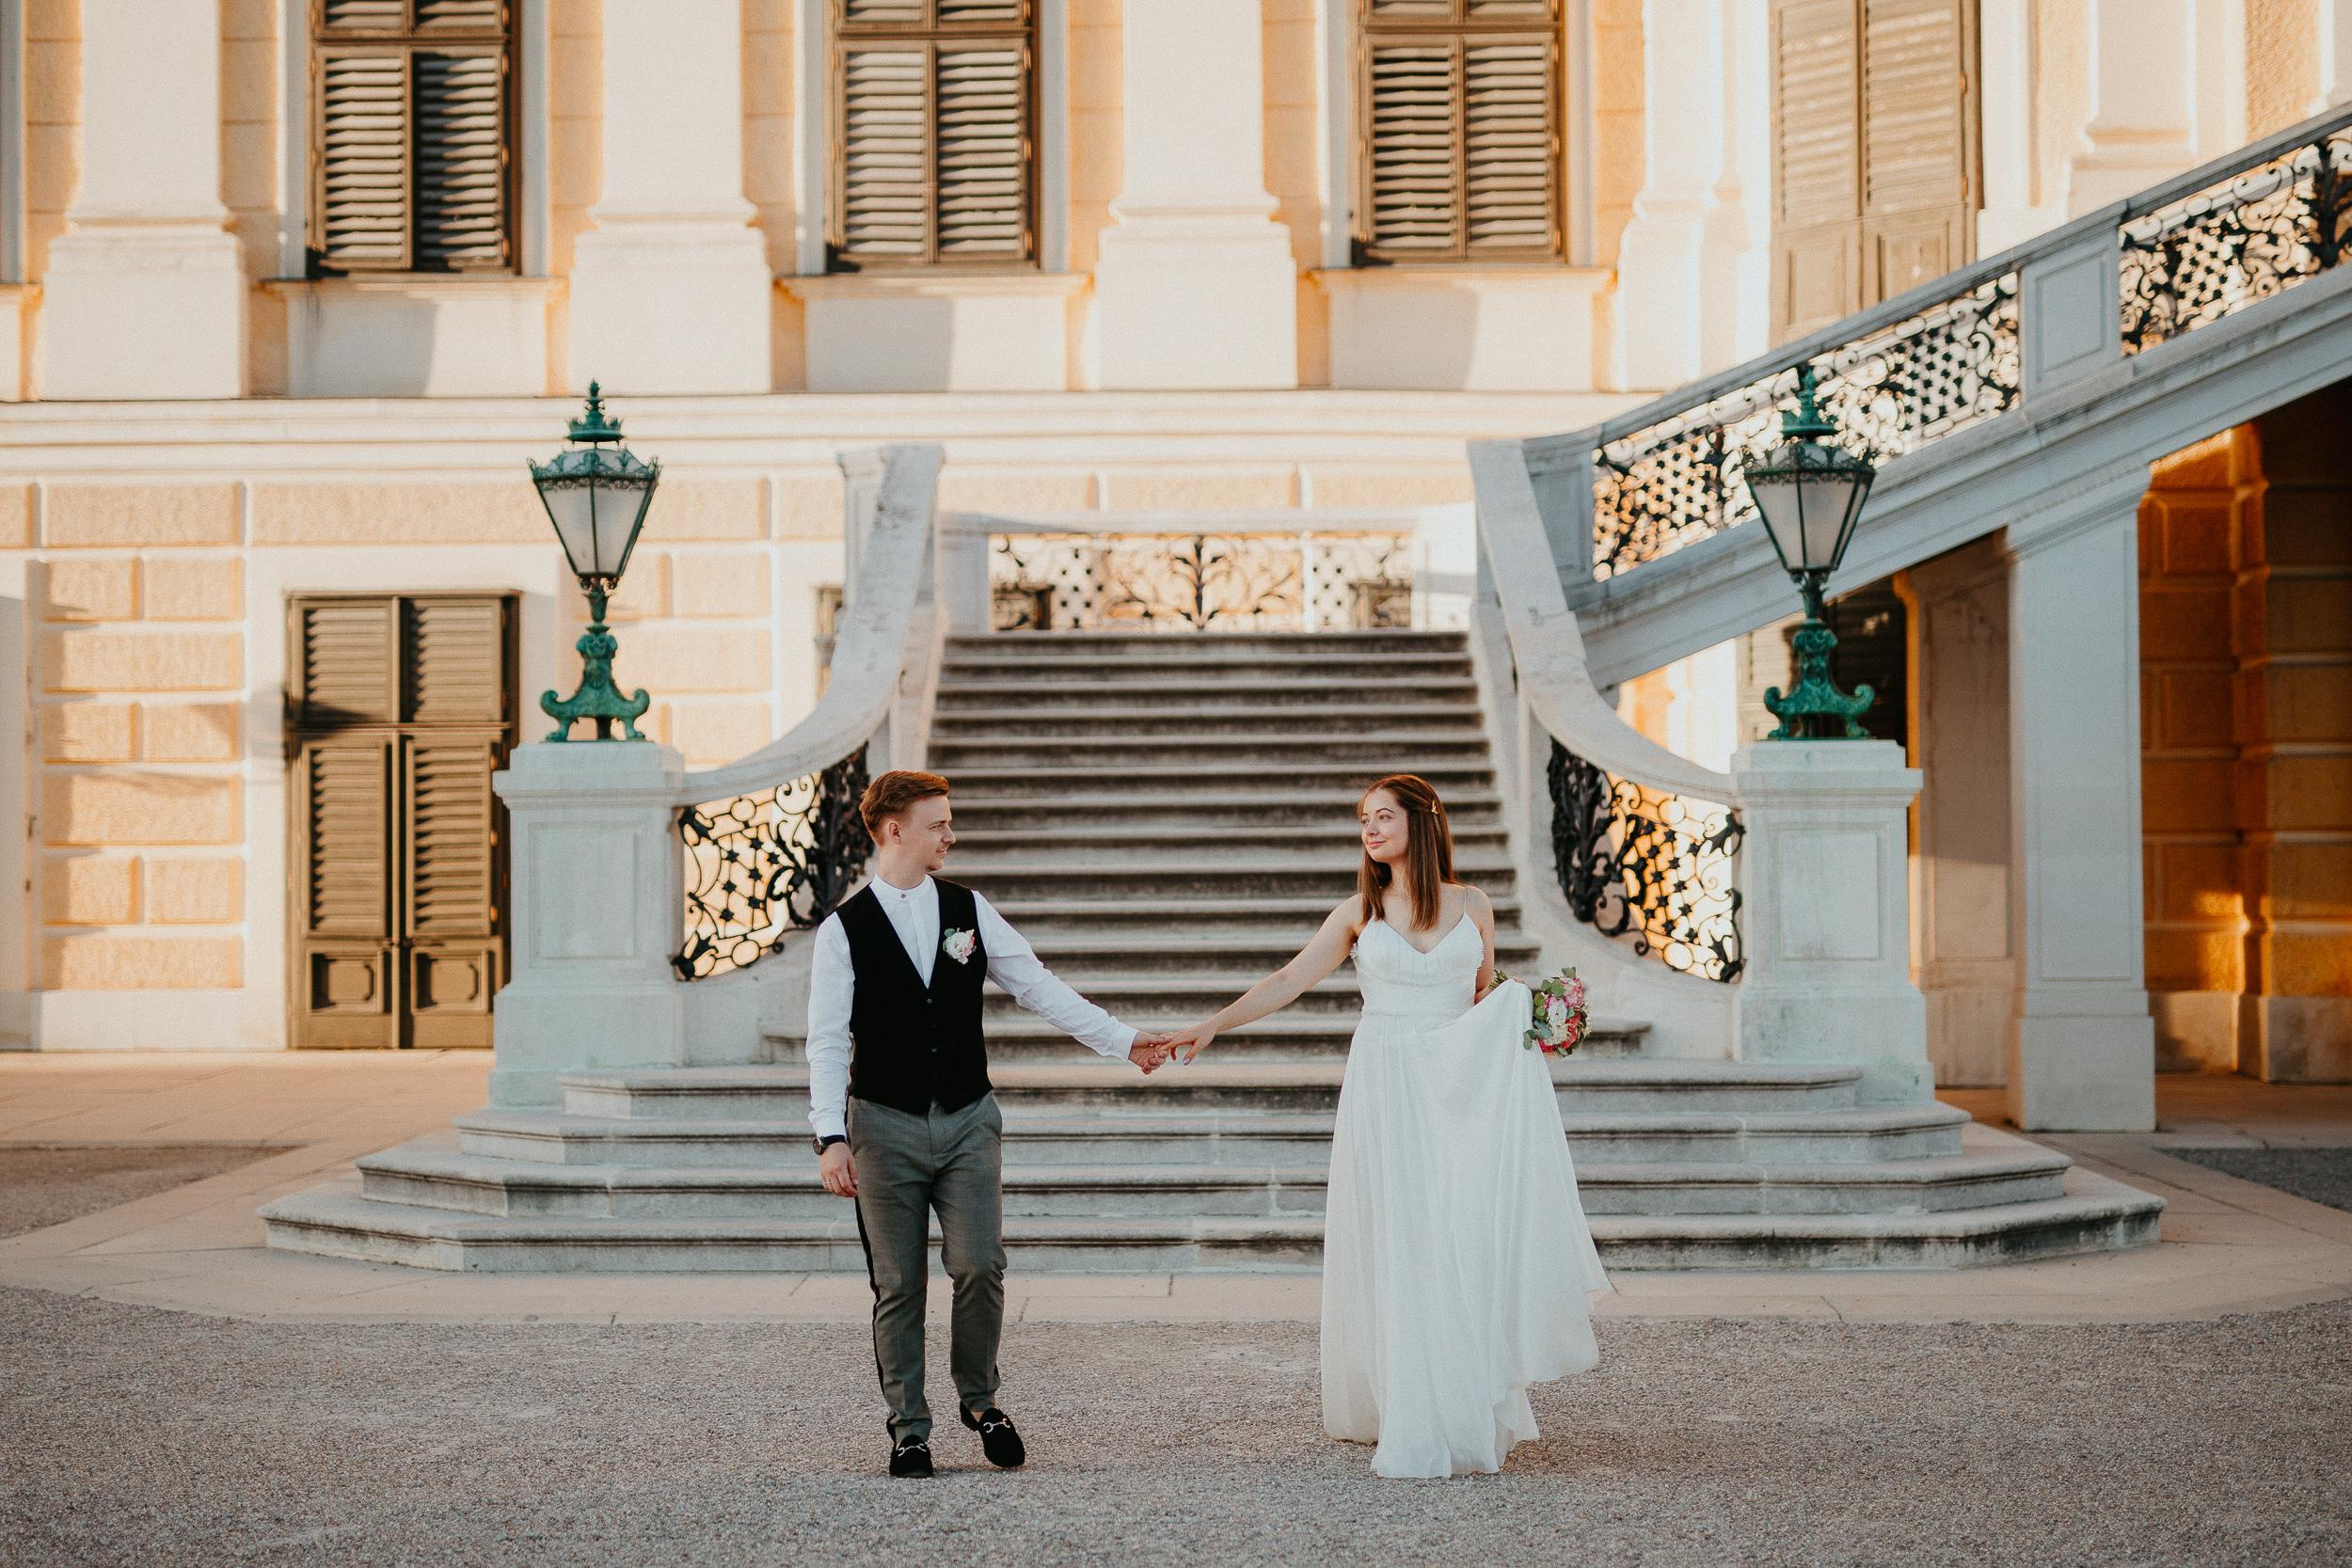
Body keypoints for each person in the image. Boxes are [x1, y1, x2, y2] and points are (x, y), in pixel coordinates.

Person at [1158, 772, 1611, 1478]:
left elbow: (1486, 995)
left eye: (1382, 816)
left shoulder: (1474, 905)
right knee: (1405, 1240)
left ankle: (1465, 1393)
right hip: (1387, 1086)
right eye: (1363, 819)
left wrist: (1540, 1013)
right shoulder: (1357, 912)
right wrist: (1212, 1023)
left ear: (1422, 820)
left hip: (1459, 1089)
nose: (1369, 830)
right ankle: (1412, 1403)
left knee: (1460, 1234)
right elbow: (1287, 978)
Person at [805, 768, 1177, 1479]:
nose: (951, 832)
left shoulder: (969, 908)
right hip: (882, 1125)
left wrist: (1124, 1040)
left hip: (970, 1118)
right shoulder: (841, 931)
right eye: (939, 822)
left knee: (980, 1263)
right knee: (899, 1284)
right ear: (894, 830)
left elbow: (1040, 986)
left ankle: (980, 1401)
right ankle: (910, 1428)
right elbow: (825, 1039)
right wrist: (830, 1136)